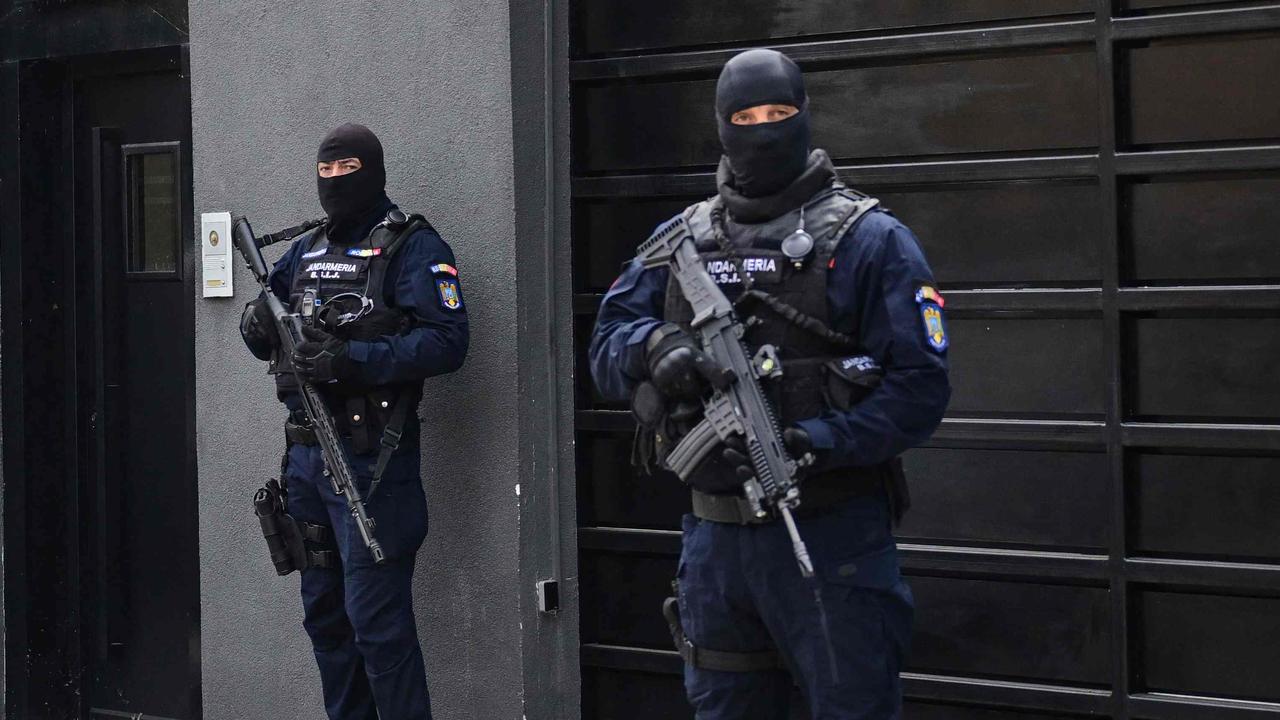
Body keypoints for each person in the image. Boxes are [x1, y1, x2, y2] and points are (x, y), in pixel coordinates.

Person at [589, 49, 950, 719]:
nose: (763, 128)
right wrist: (655, 345)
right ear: (722, 126)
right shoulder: (683, 242)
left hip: (831, 538)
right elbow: (606, 344)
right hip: (717, 549)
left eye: (779, 113)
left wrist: (822, 438)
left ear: (805, 116)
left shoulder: (870, 240)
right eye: (745, 116)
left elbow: (920, 390)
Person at [240, 122, 468, 720]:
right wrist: (256, 325)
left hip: (372, 463)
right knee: (327, 624)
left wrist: (352, 361)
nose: (336, 182)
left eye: (349, 170)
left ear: (375, 172)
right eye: (327, 171)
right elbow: (268, 313)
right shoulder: (308, 250)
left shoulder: (412, 247)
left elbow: (448, 342)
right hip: (306, 462)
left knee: (378, 629)